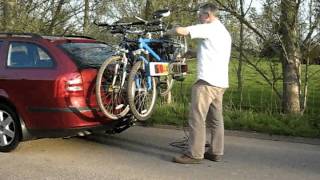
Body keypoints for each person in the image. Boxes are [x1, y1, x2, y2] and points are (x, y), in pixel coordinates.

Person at [167, 3, 232, 164]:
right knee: (216, 118)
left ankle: (194, 154)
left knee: (197, 117)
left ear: (208, 15)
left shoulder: (209, 27)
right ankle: (216, 151)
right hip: (220, 83)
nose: (198, 17)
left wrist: (171, 29)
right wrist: (192, 53)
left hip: (206, 82)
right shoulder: (222, 31)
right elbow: (213, 51)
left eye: (200, 14)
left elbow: (183, 31)